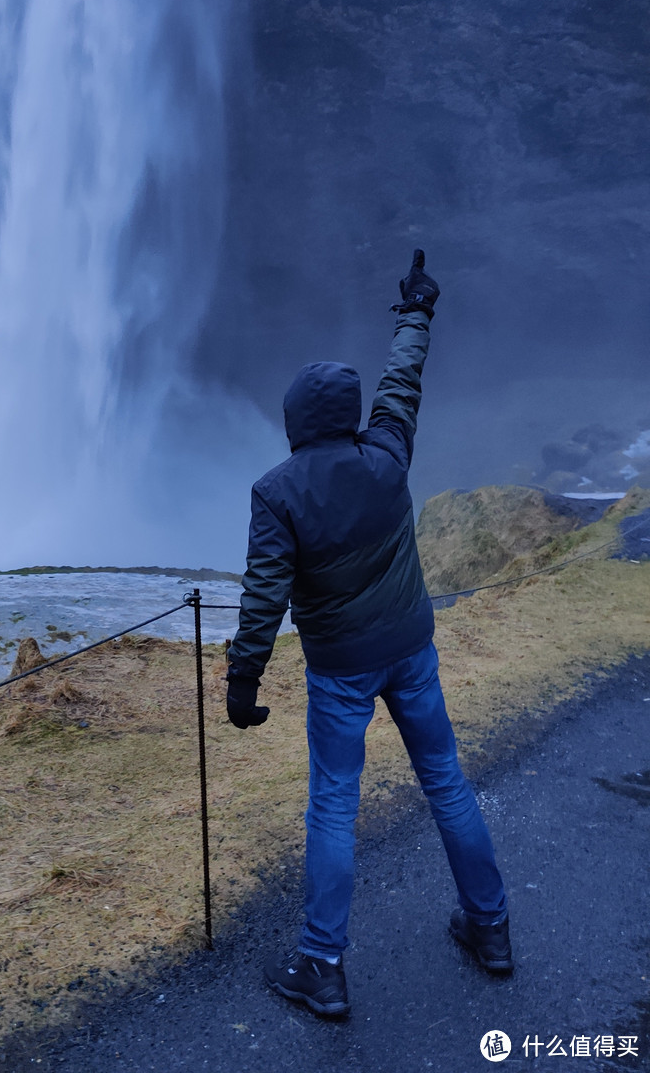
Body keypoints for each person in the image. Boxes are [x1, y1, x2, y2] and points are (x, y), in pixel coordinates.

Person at [225, 250, 511, 1019]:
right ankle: (491, 930)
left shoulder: (276, 494)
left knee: (334, 808)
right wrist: (418, 311)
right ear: (346, 416)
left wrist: (242, 679)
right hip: (411, 649)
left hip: (342, 669)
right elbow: (400, 384)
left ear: (293, 422)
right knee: (446, 781)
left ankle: (321, 966)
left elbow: (264, 594)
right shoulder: (386, 453)